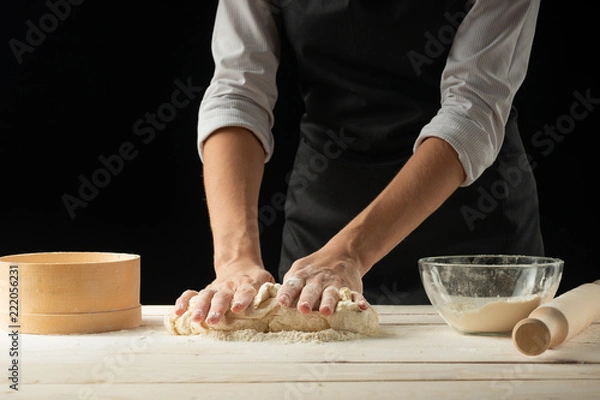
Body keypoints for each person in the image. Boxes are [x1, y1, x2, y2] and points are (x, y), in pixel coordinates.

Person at [174, 0, 544, 325]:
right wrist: (235, 260)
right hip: (323, 214)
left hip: (468, 231)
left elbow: (473, 110)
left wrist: (351, 251)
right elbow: (238, 91)